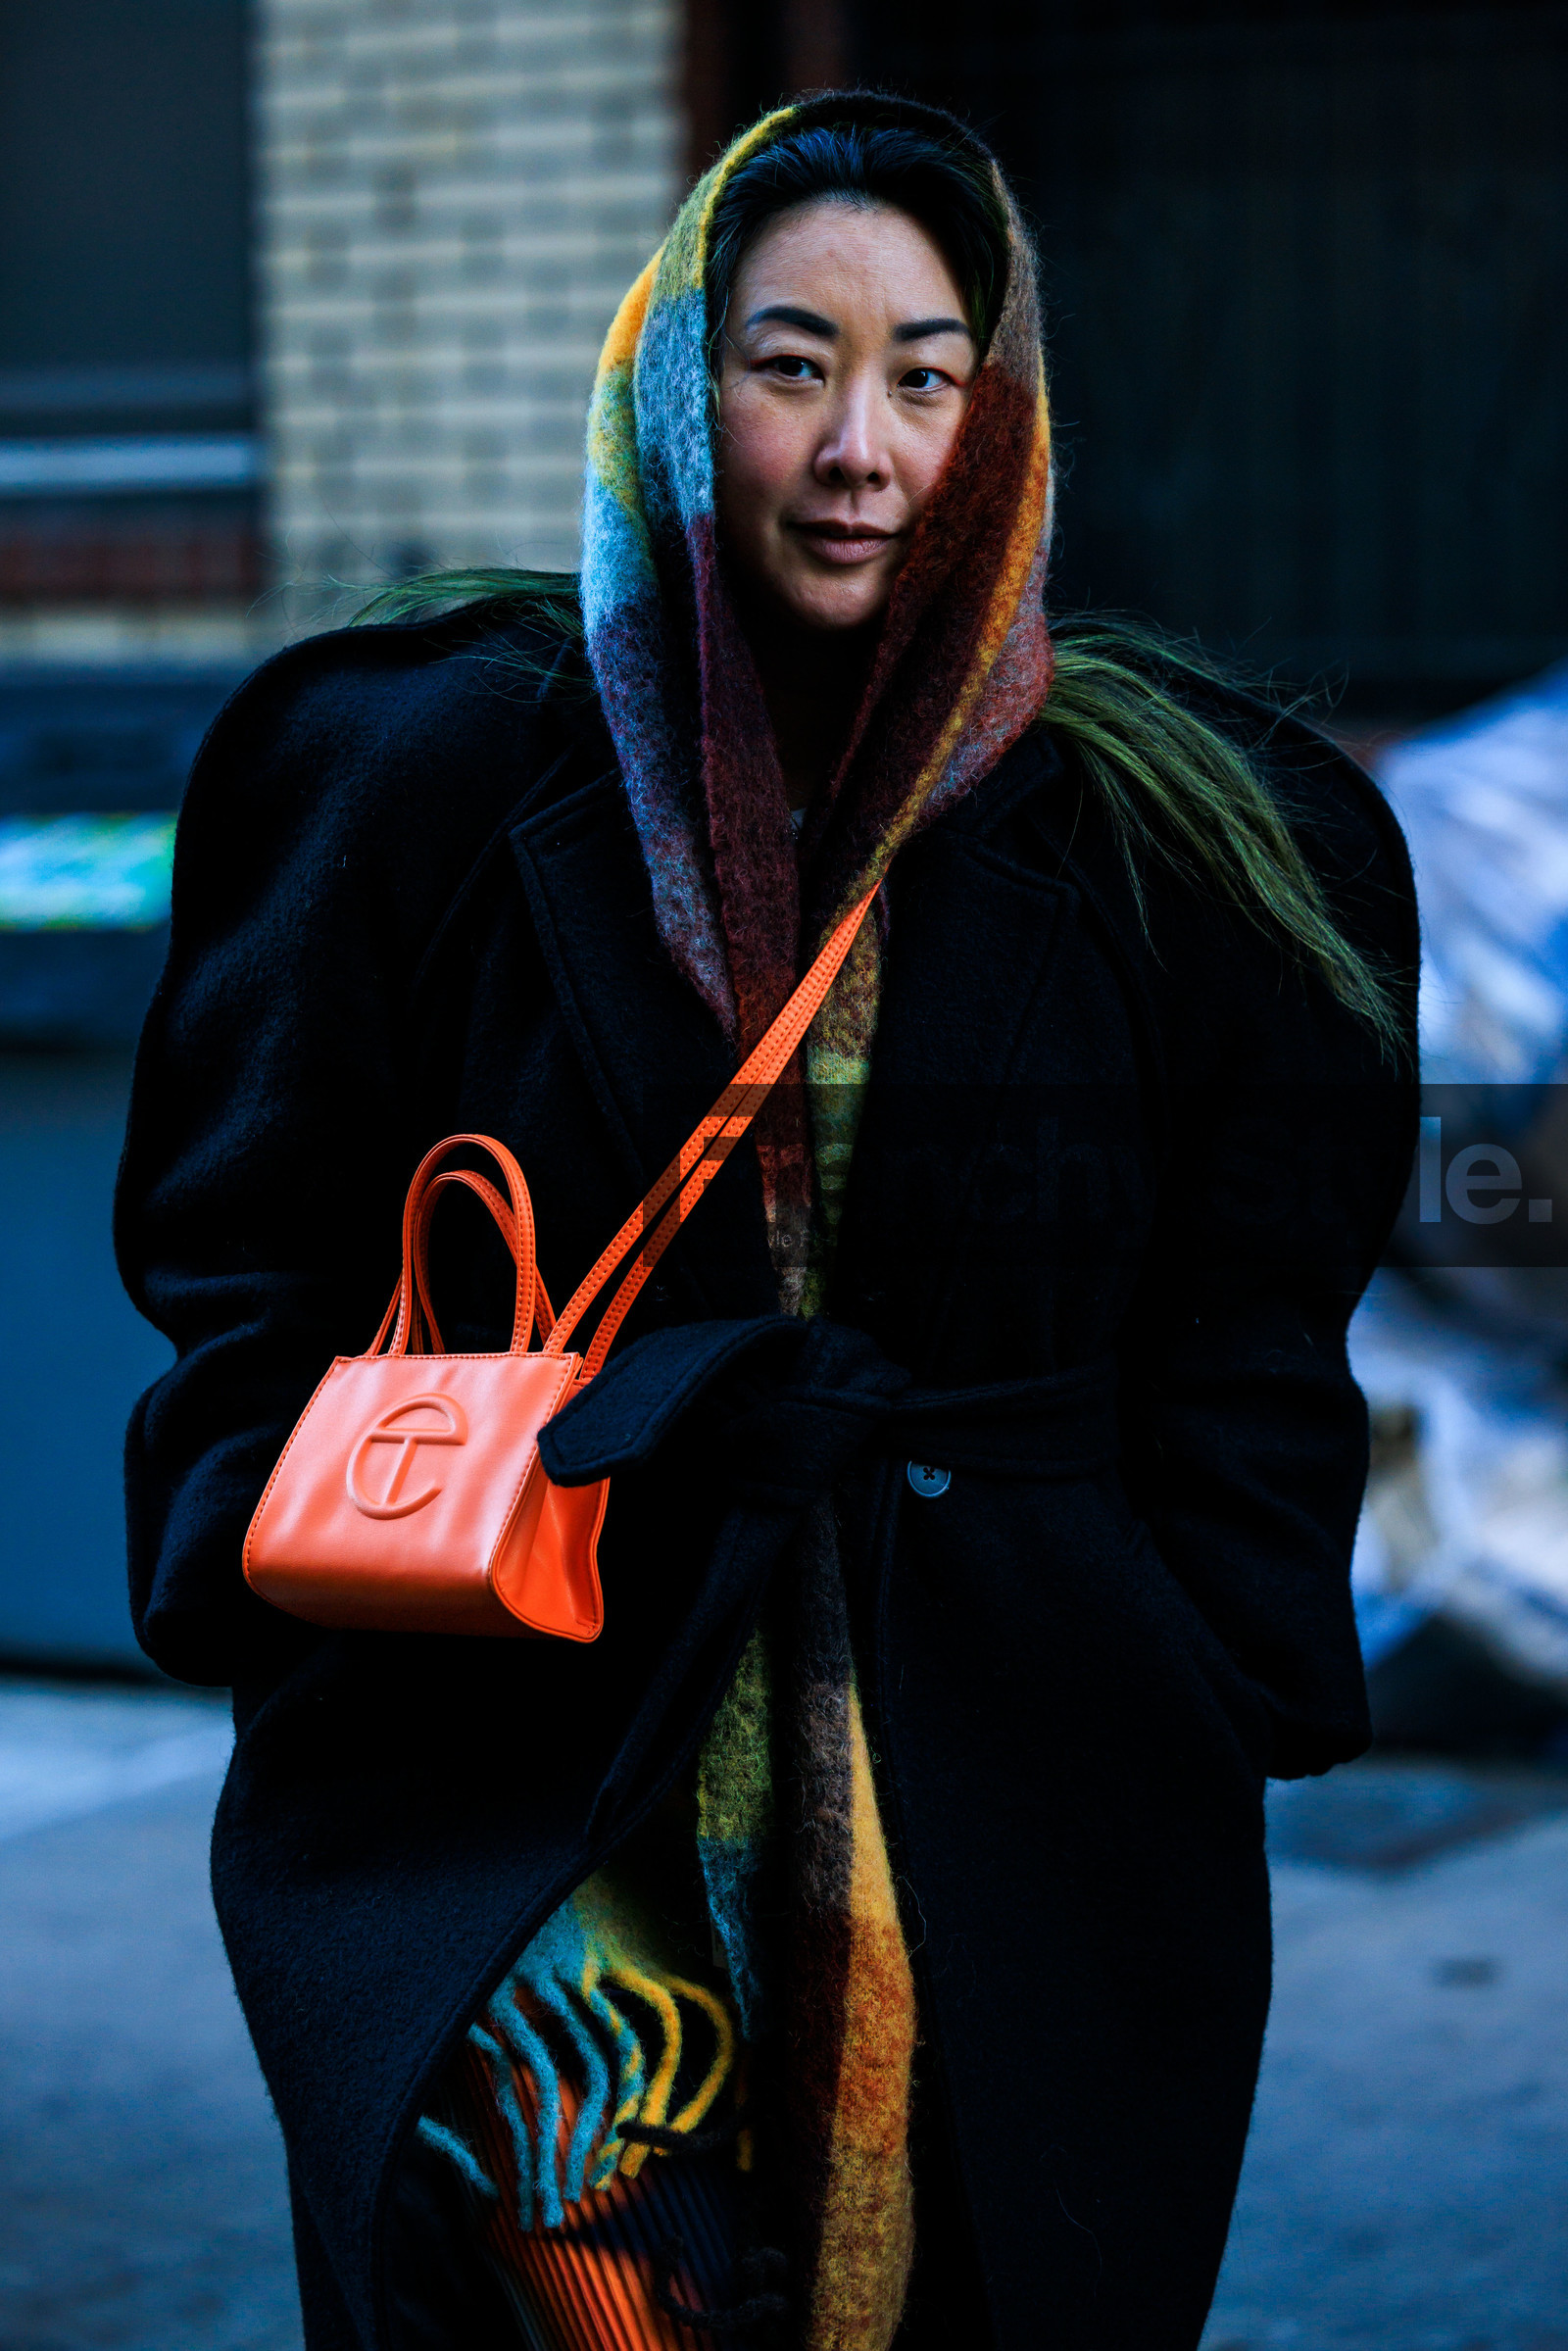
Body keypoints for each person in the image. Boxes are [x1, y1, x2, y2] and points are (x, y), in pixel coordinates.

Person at [115, 90, 1418, 2351]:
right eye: (786, 359)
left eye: (924, 373)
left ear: (995, 415)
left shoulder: (1192, 833)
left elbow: (1252, 1323)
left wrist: (1193, 1671)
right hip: (510, 1793)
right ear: (666, 376)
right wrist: (318, 1653)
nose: (858, 445)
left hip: (1023, 1790)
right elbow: (249, 1262)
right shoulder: (418, 769)